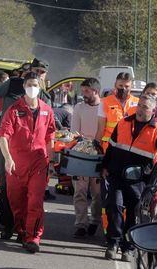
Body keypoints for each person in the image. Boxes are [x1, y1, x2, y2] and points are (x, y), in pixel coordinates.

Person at [0, 58, 53, 241]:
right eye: (35, 71)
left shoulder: (44, 98)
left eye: (41, 74)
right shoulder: (12, 86)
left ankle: (28, 232)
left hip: (35, 156)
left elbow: (50, 127)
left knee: (32, 196)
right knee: (7, 189)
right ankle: (8, 225)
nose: (37, 76)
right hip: (9, 149)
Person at [101, 94, 157, 261]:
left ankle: (128, 247)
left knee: (133, 213)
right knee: (114, 207)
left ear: (153, 111)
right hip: (117, 175)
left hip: (138, 181)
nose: (140, 110)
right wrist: (104, 167)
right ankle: (113, 243)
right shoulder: (123, 123)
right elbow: (111, 147)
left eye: (145, 107)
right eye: (139, 106)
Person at [0, 72, 56, 253]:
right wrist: (8, 159)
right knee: (17, 202)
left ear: (40, 87)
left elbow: (50, 136)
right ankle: (22, 230)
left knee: (35, 201)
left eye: (35, 85)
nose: (32, 88)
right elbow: (3, 136)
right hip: (16, 164)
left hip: (39, 163)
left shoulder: (47, 110)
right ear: (24, 86)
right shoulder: (14, 110)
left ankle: (33, 237)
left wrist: (52, 161)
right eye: (29, 84)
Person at [70, 78, 102, 238]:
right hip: (81, 153)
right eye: (83, 91)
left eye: (87, 91)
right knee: (80, 191)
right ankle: (81, 224)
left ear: (96, 91)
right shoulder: (79, 107)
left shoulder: (104, 108)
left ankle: (95, 222)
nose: (84, 94)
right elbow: (74, 131)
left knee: (97, 193)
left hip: (99, 155)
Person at [95, 72, 139, 153]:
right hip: (109, 147)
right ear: (115, 85)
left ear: (131, 86)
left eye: (127, 86)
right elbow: (100, 128)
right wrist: (97, 146)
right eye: (121, 86)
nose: (123, 89)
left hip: (130, 148)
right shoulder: (105, 102)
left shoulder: (138, 103)